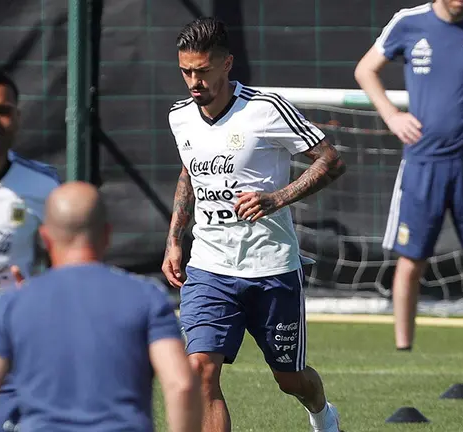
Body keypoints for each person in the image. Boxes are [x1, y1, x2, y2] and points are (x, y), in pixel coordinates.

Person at [161, 17, 346, 432]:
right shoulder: (180, 117)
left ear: (226, 64)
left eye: (202, 71)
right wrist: (175, 240)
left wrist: (277, 197)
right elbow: (189, 172)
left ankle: (321, 411)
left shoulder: (265, 109)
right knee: (201, 372)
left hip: (272, 268)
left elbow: (331, 160)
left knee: (291, 380)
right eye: (186, 71)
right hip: (210, 267)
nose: (194, 81)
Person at [0, 181, 203, 432]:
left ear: (45, 238)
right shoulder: (148, 296)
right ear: (107, 235)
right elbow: (181, 385)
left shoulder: (12, 303)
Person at [354, 0, 463, 352]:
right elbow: (365, 69)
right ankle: (403, 349)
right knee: (411, 260)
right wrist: (392, 115)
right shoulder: (408, 22)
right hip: (423, 163)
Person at [0, 67, 60, 431]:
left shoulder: (42, 185)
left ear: (17, 117)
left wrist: (37, 295)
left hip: (8, 365)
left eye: (2, 110)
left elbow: (68, 271)